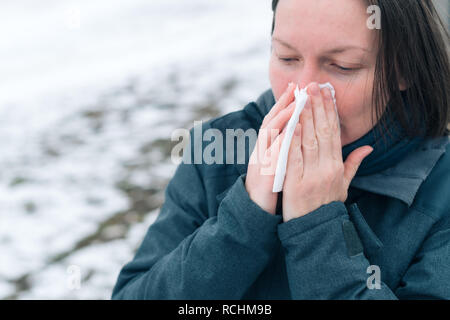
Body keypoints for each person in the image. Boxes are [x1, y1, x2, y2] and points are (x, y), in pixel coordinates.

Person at [112, 0, 450, 299]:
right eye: (287, 57)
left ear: (403, 68)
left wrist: (316, 224)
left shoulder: (441, 187)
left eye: (343, 66)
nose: (302, 91)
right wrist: (245, 218)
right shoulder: (216, 149)